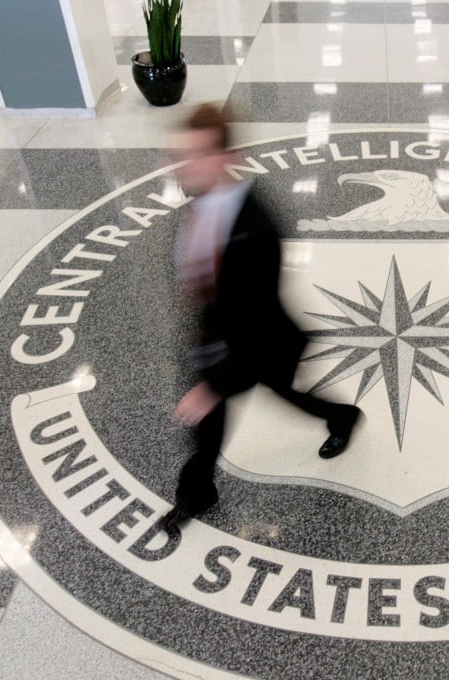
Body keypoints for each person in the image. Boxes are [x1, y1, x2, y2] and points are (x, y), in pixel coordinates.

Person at [161, 103, 360, 533]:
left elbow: (257, 324)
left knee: (285, 396)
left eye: (196, 156)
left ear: (223, 158)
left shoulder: (258, 230)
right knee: (207, 430)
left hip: (261, 344)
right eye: (183, 155)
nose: (185, 167)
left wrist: (210, 388)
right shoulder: (198, 202)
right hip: (216, 339)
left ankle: (343, 417)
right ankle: (197, 495)